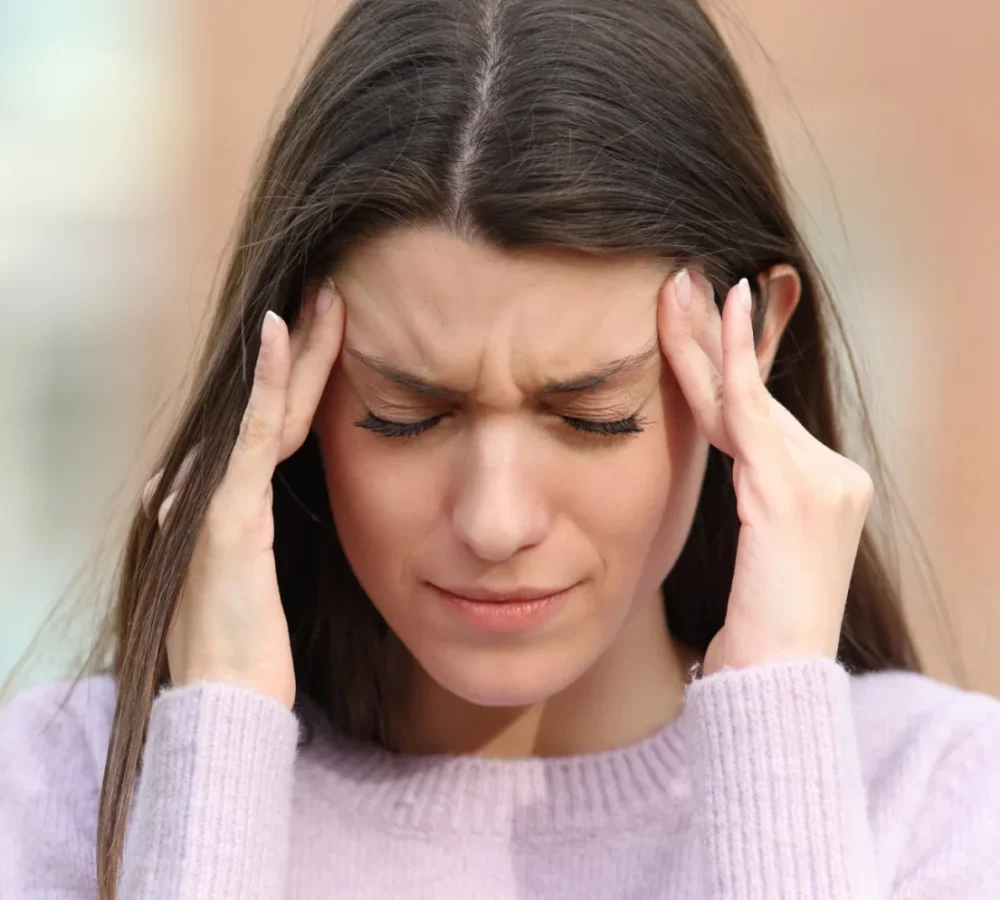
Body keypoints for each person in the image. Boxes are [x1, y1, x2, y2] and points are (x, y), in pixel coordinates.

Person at [2, 0, 998, 897]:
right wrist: (216, 747)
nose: (494, 520)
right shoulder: (61, 791)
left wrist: (778, 736)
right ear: (292, 368)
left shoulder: (936, 799)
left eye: (592, 416)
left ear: (758, 336)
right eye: (407, 414)